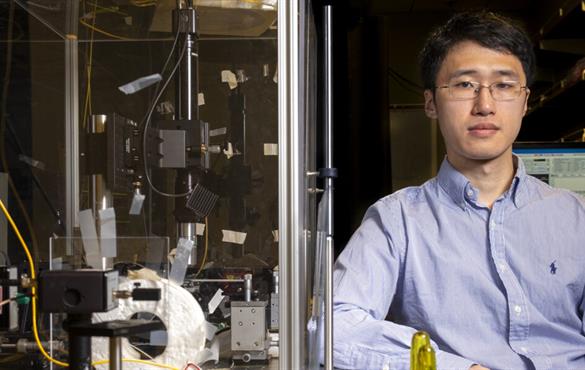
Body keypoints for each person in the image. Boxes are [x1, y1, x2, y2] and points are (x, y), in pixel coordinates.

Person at [332, 10, 585, 370]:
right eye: (465, 85)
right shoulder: (396, 220)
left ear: (525, 101)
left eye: (504, 85)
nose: (485, 105)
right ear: (431, 103)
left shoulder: (576, 217)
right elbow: (334, 327)